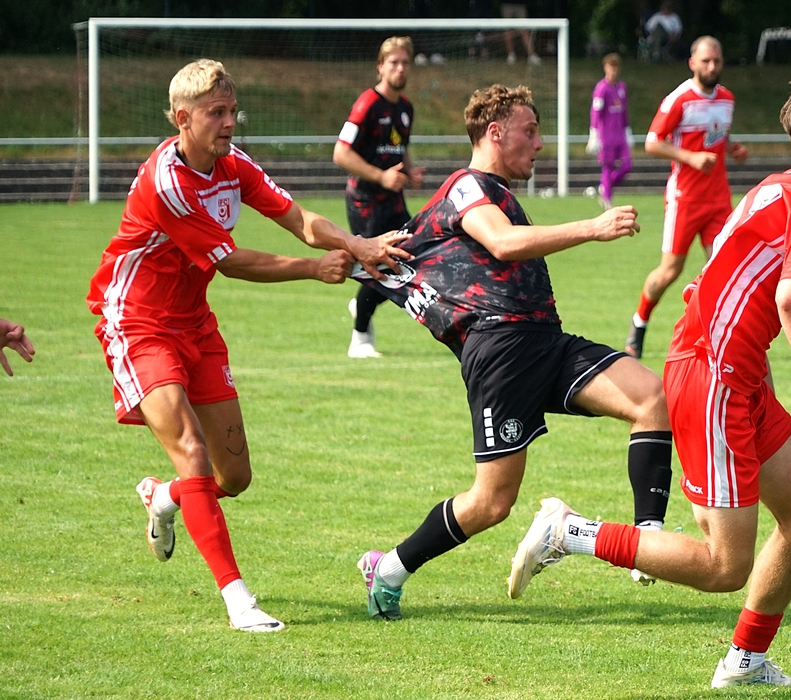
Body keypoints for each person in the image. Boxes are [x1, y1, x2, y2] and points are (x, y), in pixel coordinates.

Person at [508, 63, 791, 687]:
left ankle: (745, 662)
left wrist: (746, 369)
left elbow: (726, 282)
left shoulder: (774, 187)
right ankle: (570, 532)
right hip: (716, 378)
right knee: (724, 566)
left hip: (731, 373)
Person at [87, 59, 409, 633]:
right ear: (183, 118)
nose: (230, 122)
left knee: (233, 476)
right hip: (138, 321)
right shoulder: (167, 182)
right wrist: (313, 268)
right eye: (217, 112)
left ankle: (166, 496)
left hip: (194, 321)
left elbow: (298, 217)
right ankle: (239, 601)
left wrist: (357, 245)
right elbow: (231, 261)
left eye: (233, 110)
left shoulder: (232, 164)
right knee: (192, 451)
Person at [354, 84, 675, 621]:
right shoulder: (467, 187)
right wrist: (592, 227)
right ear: (495, 132)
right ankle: (387, 569)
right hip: (500, 351)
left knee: (652, 396)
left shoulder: (495, 190)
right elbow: (502, 242)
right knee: (492, 503)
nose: (540, 144)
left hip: (544, 340)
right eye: (530, 131)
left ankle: (650, 541)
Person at [624, 36, 748, 359]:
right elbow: (652, 142)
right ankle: (639, 324)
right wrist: (690, 158)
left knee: (724, 268)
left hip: (718, 200)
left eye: (717, 61)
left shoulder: (727, 99)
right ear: (692, 63)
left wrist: (732, 148)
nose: (712, 66)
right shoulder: (679, 99)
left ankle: (715, 337)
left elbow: (718, 134)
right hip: (685, 199)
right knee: (670, 271)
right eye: (706, 61)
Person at [334, 36, 427, 359]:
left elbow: (400, 146)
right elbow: (341, 153)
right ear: (380, 67)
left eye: (405, 63)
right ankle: (360, 339)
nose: (400, 69)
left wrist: (410, 171)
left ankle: (361, 303)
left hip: (393, 200)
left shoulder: (405, 108)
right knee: (382, 266)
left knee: (415, 256)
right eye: (394, 63)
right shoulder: (367, 105)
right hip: (366, 201)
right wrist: (381, 176)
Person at [587, 53, 634, 210]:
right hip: (605, 136)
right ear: (605, 68)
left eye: (615, 68)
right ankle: (607, 199)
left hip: (620, 135)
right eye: (610, 67)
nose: (613, 71)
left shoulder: (621, 87)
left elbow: (624, 110)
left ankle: (605, 186)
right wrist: (594, 133)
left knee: (627, 165)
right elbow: (596, 112)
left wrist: (627, 129)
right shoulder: (601, 89)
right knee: (607, 167)